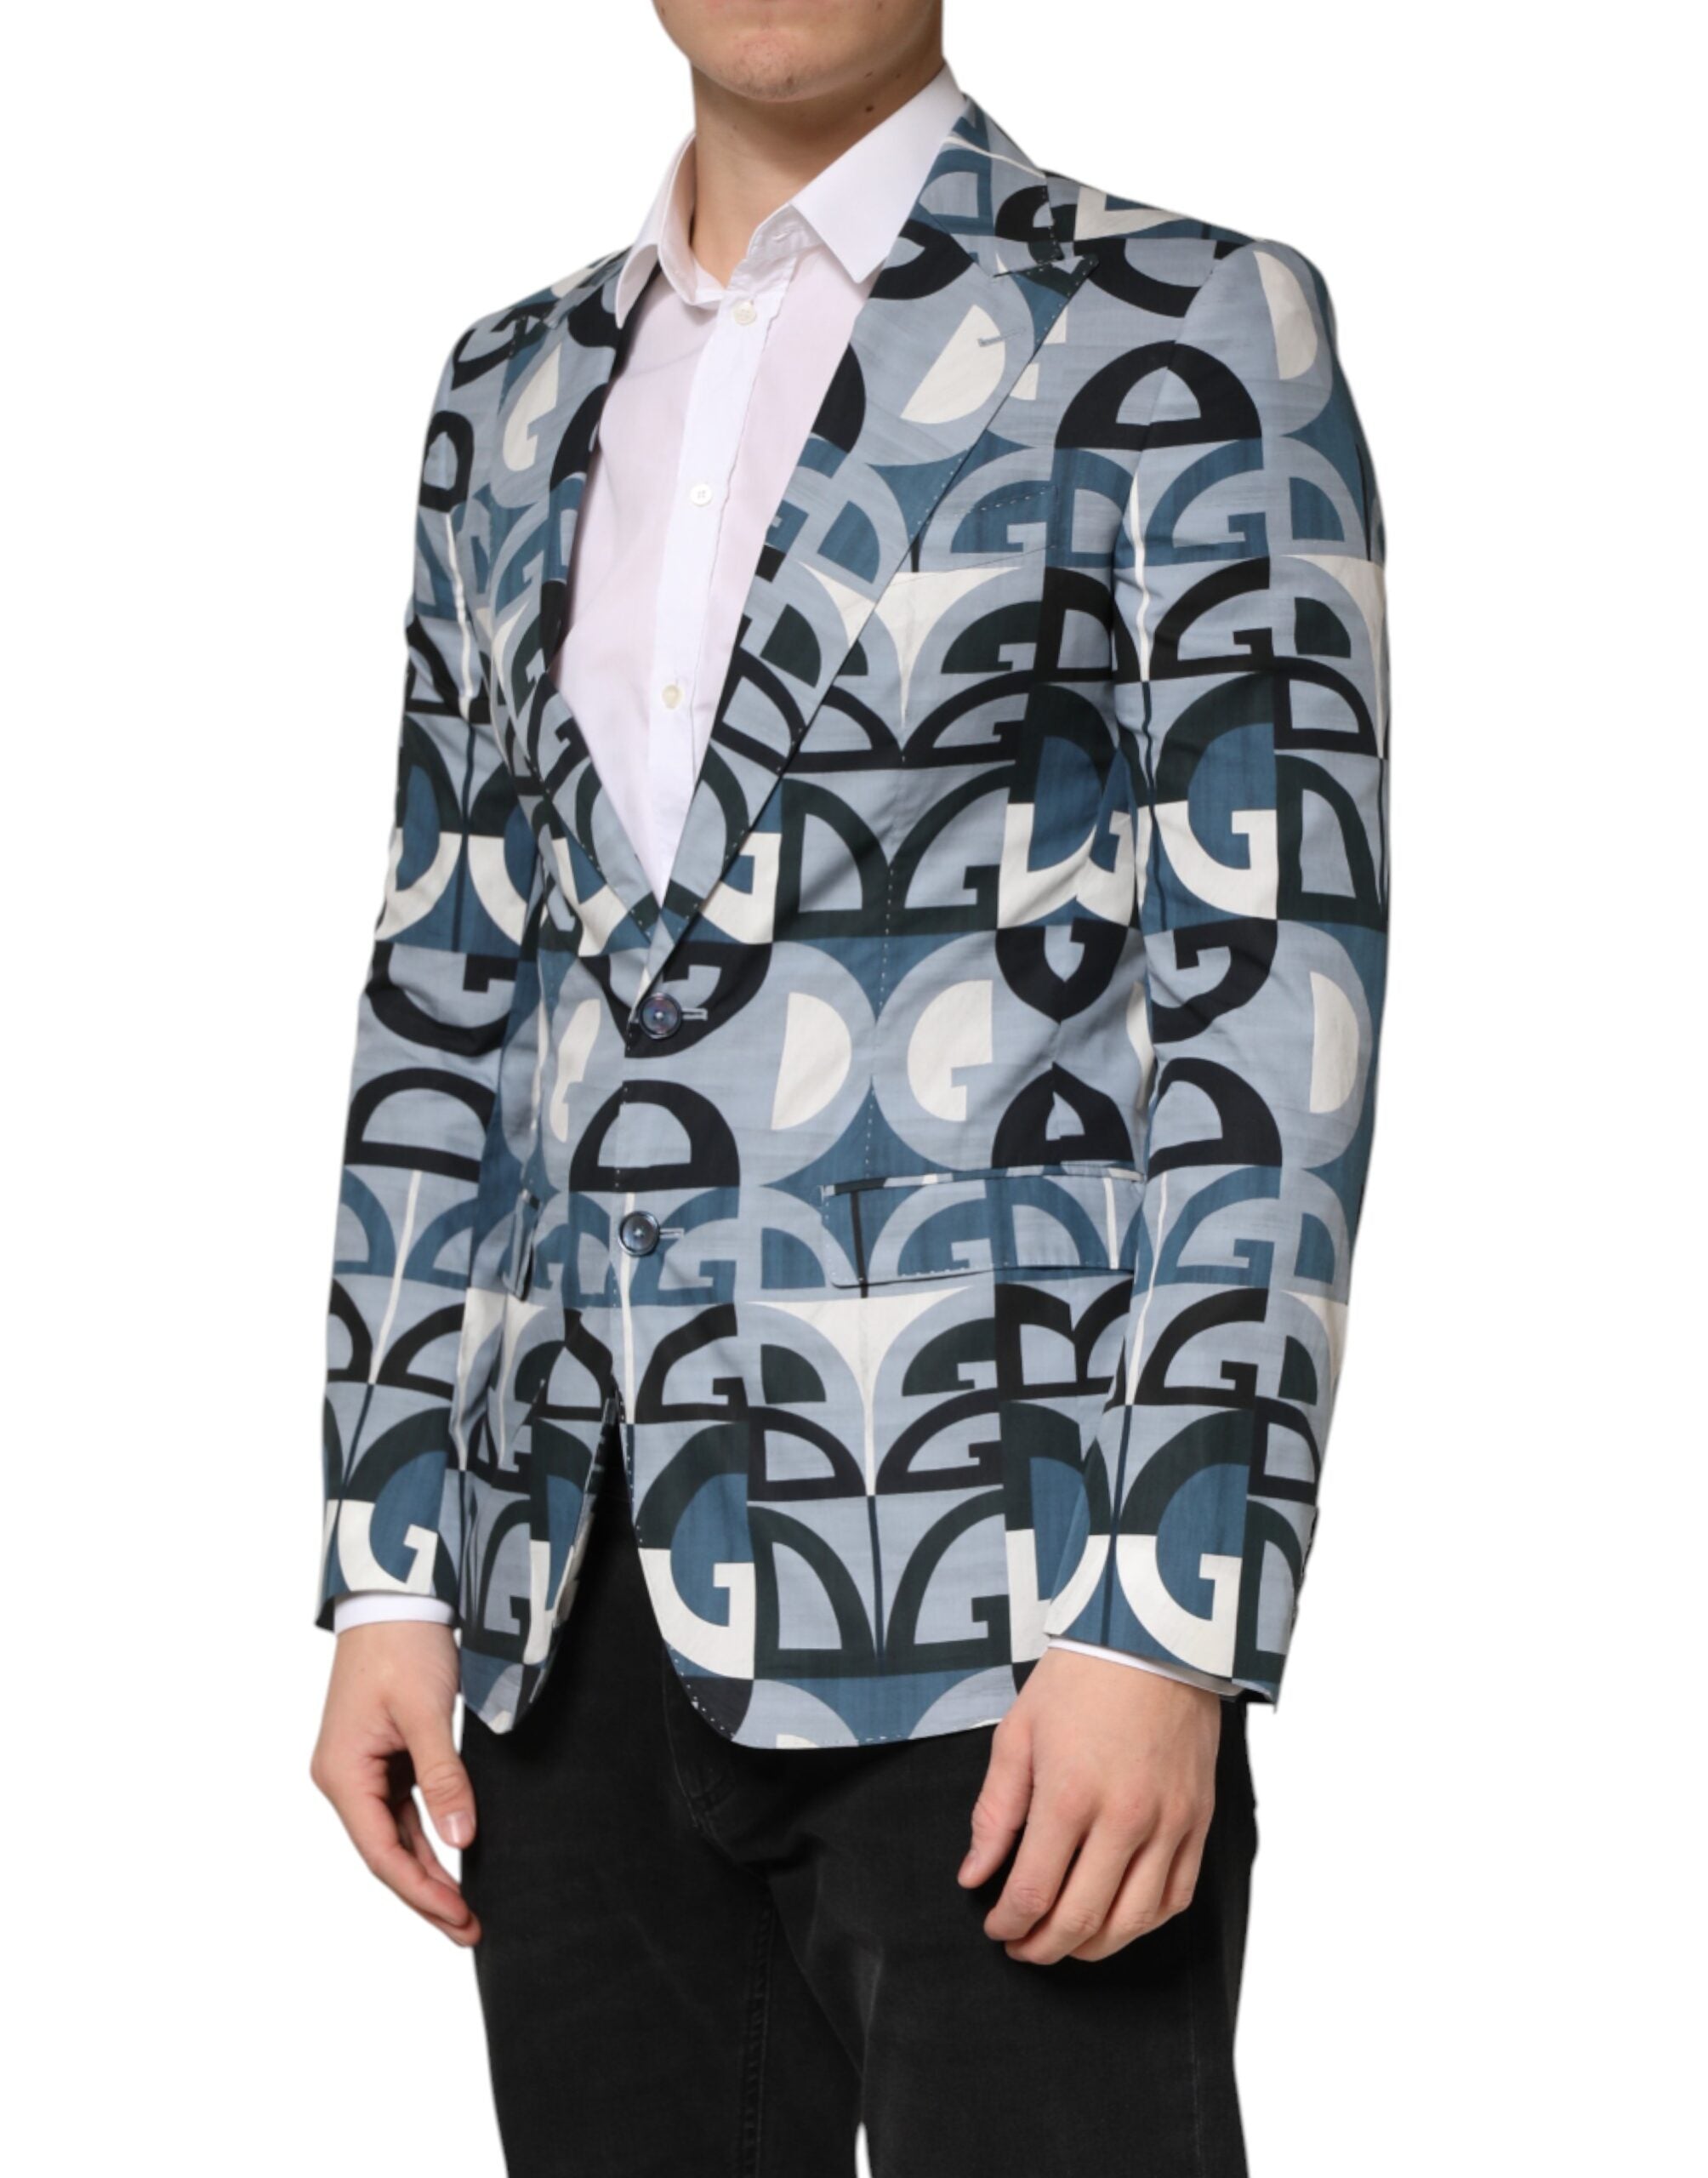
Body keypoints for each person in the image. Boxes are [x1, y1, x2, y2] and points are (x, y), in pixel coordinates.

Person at [310, 3, 1389, 2170]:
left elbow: (1265, 993)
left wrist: (1166, 1613)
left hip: (1006, 1609)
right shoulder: (502, 394)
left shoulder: (1179, 325)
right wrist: (389, 1563)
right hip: (567, 1608)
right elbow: (450, 978)